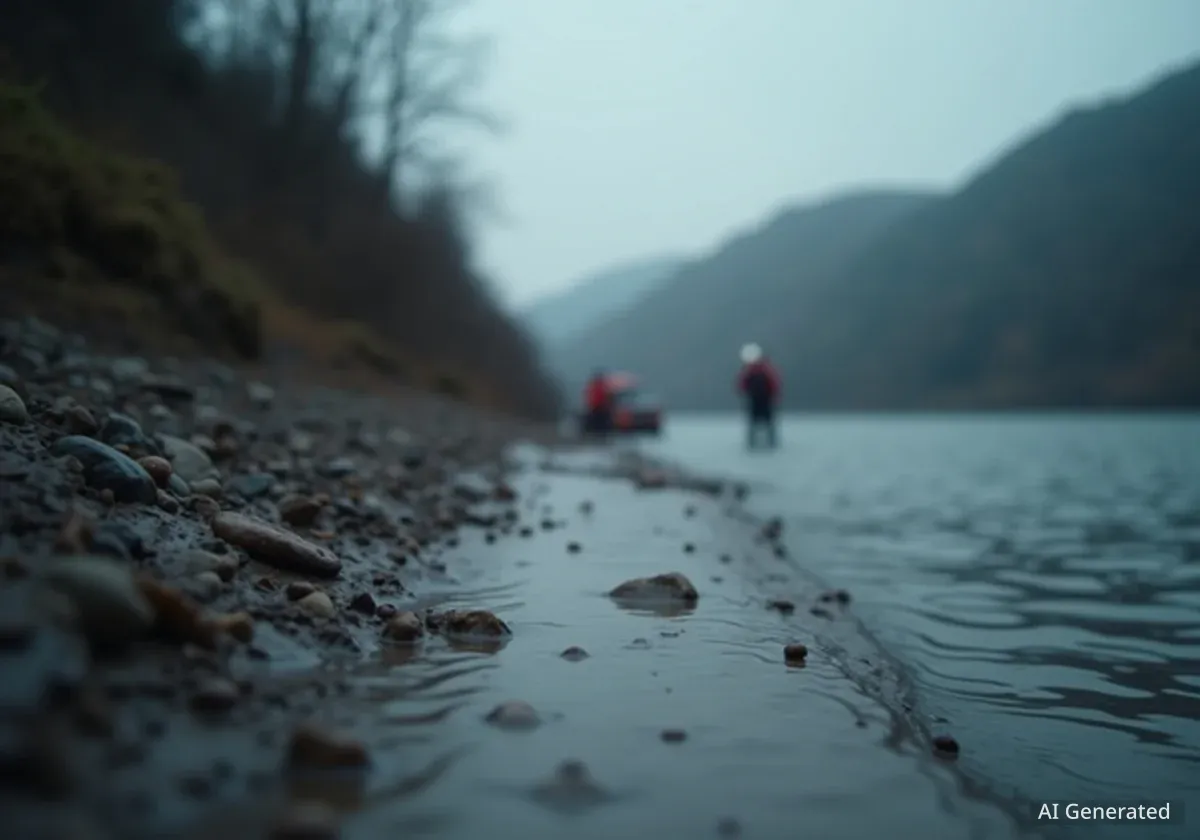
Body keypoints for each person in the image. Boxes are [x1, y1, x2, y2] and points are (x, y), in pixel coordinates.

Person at [736, 343, 781, 449]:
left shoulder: (764, 369)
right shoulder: (750, 370)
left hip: (764, 400)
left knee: (766, 423)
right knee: (757, 423)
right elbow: (742, 385)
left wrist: (775, 397)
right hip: (756, 400)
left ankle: (767, 442)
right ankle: (756, 443)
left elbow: (774, 385)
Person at [582, 368, 613, 436]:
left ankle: (598, 433)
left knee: (599, 423)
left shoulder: (600, 387)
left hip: (599, 408)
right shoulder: (599, 387)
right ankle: (596, 433)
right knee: (598, 423)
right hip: (597, 408)